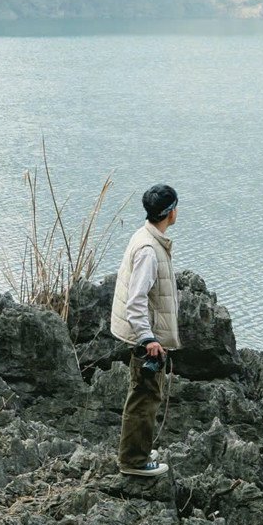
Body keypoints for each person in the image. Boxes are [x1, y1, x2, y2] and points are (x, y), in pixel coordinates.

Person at [109, 183, 180, 477]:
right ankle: (134, 462)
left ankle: (137, 448)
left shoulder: (145, 237)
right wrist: (148, 338)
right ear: (170, 212)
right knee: (144, 397)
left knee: (142, 394)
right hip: (144, 338)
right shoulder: (150, 250)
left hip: (142, 335)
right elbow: (136, 301)